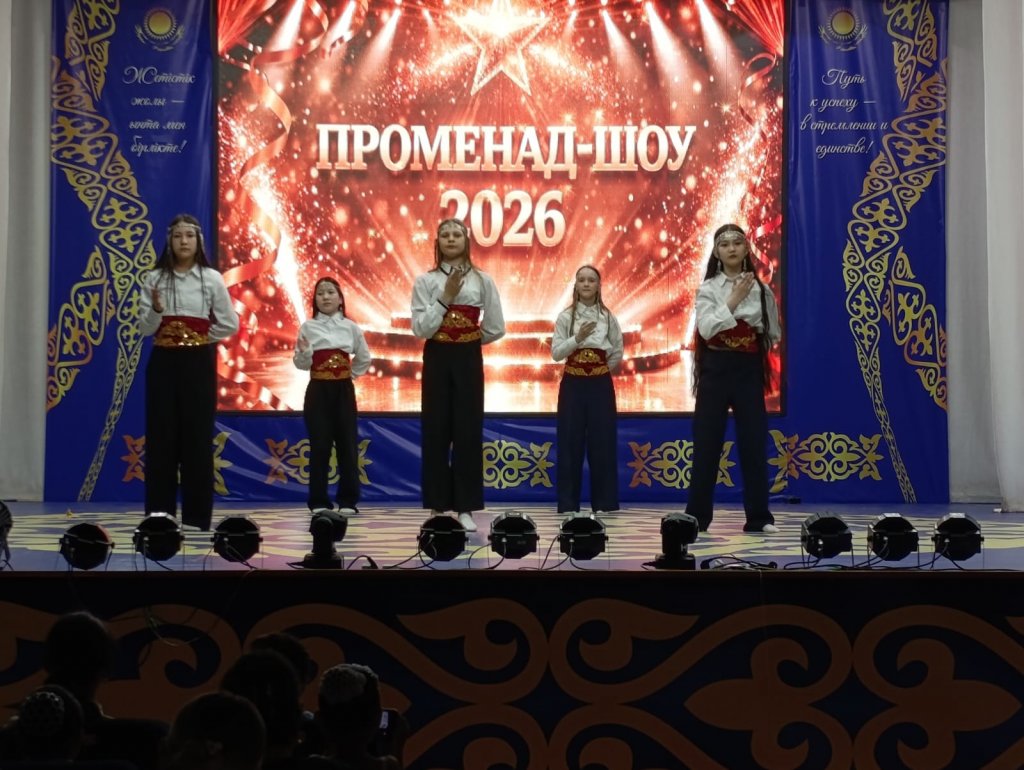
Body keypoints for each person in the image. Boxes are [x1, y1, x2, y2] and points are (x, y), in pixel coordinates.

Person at [138, 213, 239, 531]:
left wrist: (199, 338)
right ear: (169, 241)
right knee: (161, 438)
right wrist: (157, 310)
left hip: (197, 363)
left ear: (199, 242)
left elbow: (230, 323)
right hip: (163, 363)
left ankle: (196, 519)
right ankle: (160, 517)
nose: (184, 241)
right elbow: (145, 329)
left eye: (190, 236)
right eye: (178, 235)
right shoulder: (154, 278)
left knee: (197, 438)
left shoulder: (211, 278)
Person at [410, 218, 505, 533]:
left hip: (467, 358)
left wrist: (467, 339)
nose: (451, 239)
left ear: (466, 241)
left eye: (457, 234)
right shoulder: (425, 281)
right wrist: (445, 298)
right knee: (436, 429)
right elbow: (421, 328)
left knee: (467, 430)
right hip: (437, 356)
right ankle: (438, 506)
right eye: (445, 235)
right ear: (437, 242)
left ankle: (465, 507)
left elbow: (496, 327)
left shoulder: (483, 280)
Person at [686, 223, 781, 534]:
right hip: (715, 369)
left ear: (746, 249)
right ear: (716, 252)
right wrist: (734, 301)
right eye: (724, 244)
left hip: (747, 370)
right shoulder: (708, 289)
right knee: (707, 444)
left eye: (737, 243)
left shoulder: (762, 289)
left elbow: (772, 333)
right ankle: (697, 517)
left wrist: (746, 342)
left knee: (753, 443)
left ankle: (759, 518)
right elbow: (706, 329)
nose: (731, 248)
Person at [293, 277, 371, 515]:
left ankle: (347, 501)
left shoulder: (351, 327)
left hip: (343, 391)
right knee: (320, 446)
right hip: (318, 390)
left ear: (340, 299)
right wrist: (306, 353)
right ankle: (318, 501)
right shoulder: (308, 327)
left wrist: (349, 375)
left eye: (330, 292)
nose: (325, 297)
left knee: (347, 445)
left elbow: (364, 357)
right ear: (315, 300)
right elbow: (300, 363)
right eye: (320, 293)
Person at [551, 265, 624, 516]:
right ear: (576, 285)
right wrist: (577, 339)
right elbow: (556, 353)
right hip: (573, 383)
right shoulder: (565, 317)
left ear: (598, 285)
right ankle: (568, 504)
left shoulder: (608, 317)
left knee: (602, 441)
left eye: (591, 280)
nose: (586, 284)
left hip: (600, 385)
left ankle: (604, 503)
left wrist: (598, 370)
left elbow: (617, 351)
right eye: (581, 280)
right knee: (569, 442)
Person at [316, 664, 406, 770]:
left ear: (320, 720)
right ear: (376, 717)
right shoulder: (388, 766)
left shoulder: (308, 765)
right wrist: (395, 748)